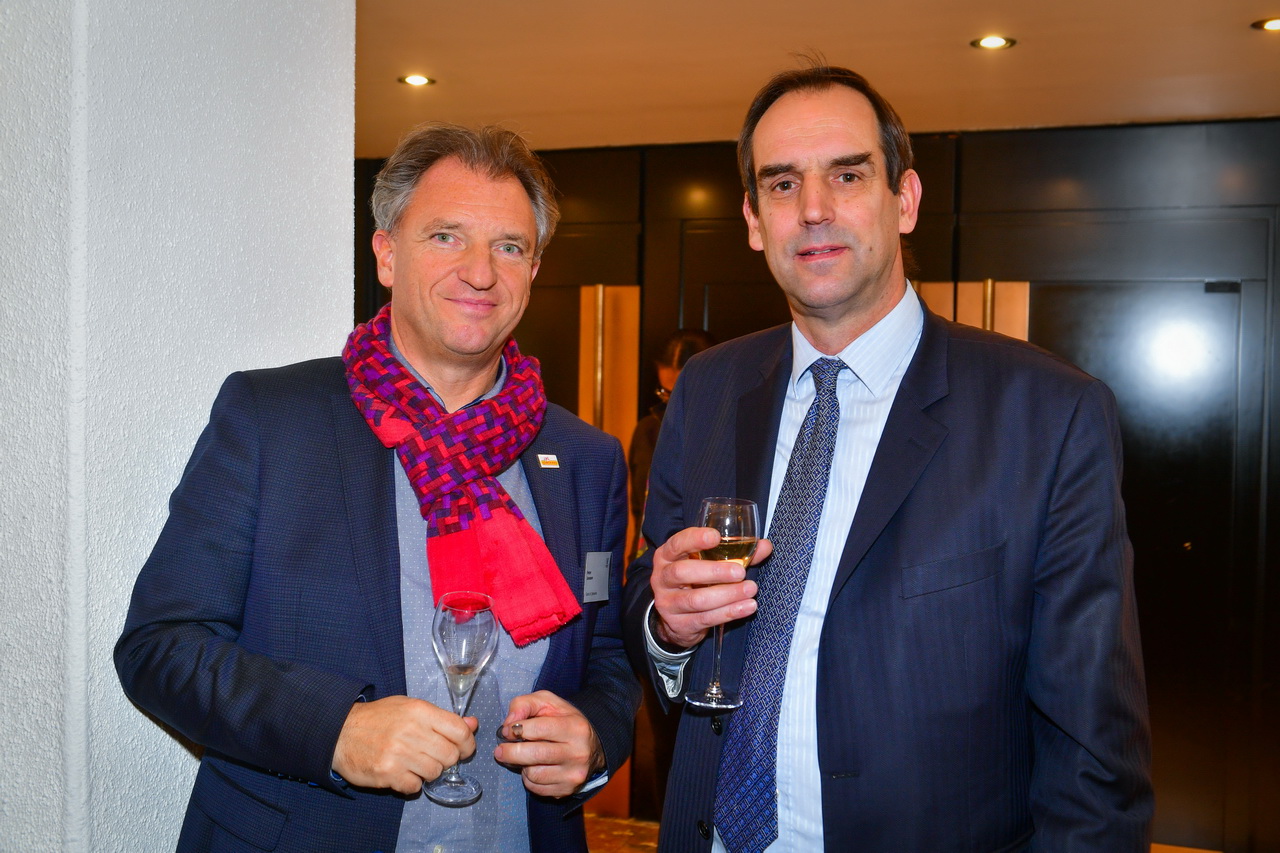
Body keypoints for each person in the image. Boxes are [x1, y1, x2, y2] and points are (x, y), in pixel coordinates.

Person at [622, 64, 1153, 852]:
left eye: (847, 174)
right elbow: (647, 591)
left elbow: (1094, 755)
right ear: (753, 220)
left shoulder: (1046, 415)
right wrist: (665, 622)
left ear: (904, 199)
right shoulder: (706, 388)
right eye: (782, 183)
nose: (813, 208)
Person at [116, 122, 639, 853]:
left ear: (534, 268)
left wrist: (595, 735)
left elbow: (607, 655)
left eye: (509, 247)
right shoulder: (271, 420)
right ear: (387, 254)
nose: (480, 272)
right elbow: (160, 646)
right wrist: (335, 729)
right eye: (446, 237)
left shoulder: (587, 458)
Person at [629, 328, 716, 562]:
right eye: (666, 393)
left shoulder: (725, 435)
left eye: (682, 392)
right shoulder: (647, 430)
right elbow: (638, 512)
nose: (673, 404)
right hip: (648, 564)